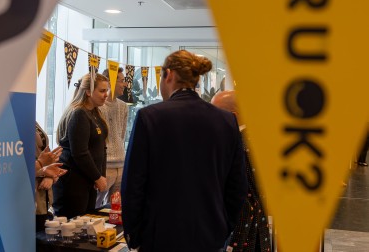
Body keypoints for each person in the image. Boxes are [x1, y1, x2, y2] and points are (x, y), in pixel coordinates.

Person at [121, 50, 248, 252]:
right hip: (210, 235)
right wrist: (223, 227)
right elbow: (238, 186)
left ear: (168, 75)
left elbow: (133, 185)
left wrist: (134, 236)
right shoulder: (227, 121)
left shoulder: (150, 117)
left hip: (159, 236)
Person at [211, 90, 272, 252]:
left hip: (241, 232)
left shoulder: (240, 145)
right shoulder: (253, 139)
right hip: (254, 228)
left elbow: (243, 197)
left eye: (214, 113)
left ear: (233, 115)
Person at [52, 73, 109, 219]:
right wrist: (97, 177)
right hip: (74, 182)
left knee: (87, 224)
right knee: (74, 228)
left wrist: (101, 175)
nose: (106, 95)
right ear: (89, 92)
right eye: (102, 91)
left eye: (106, 90)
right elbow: (80, 152)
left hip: (88, 180)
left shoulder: (96, 113)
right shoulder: (79, 113)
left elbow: (102, 148)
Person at [95, 67, 128, 208]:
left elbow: (122, 134)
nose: (125, 84)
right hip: (104, 166)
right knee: (95, 206)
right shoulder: (98, 106)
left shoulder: (123, 106)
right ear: (111, 82)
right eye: (122, 80)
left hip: (120, 165)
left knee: (115, 208)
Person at [35, 121, 67, 232]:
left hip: (43, 196)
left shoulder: (30, 117)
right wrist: (43, 169)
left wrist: (49, 175)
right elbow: (18, 168)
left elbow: (44, 157)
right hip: (27, 196)